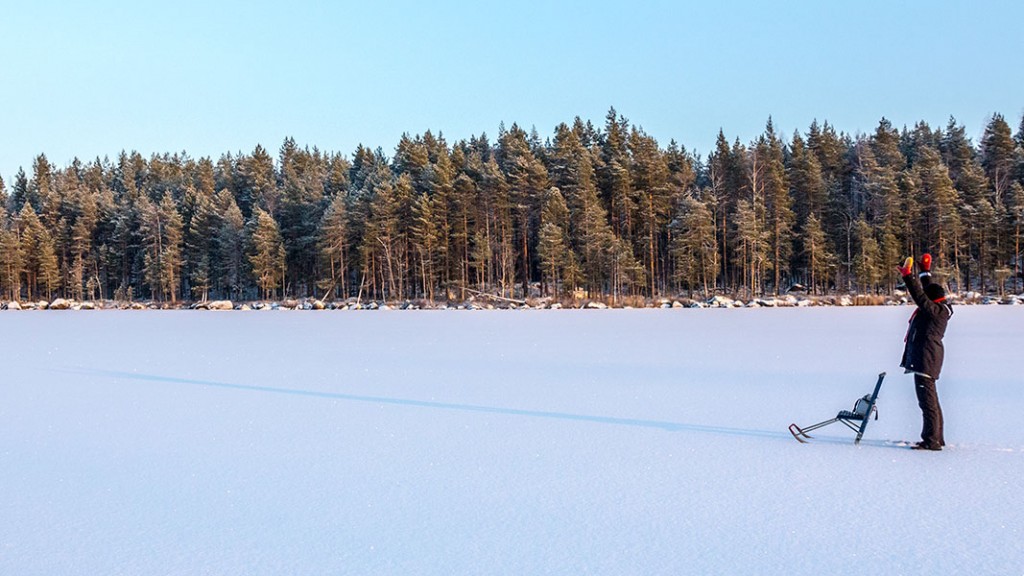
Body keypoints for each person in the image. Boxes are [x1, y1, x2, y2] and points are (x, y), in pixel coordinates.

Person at [897, 253, 953, 451]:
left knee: (927, 403)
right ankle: (937, 437)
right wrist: (925, 271)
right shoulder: (940, 307)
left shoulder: (935, 311)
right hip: (928, 358)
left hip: (926, 359)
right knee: (932, 402)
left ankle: (932, 441)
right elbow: (928, 290)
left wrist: (907, 276)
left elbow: (920, 296)